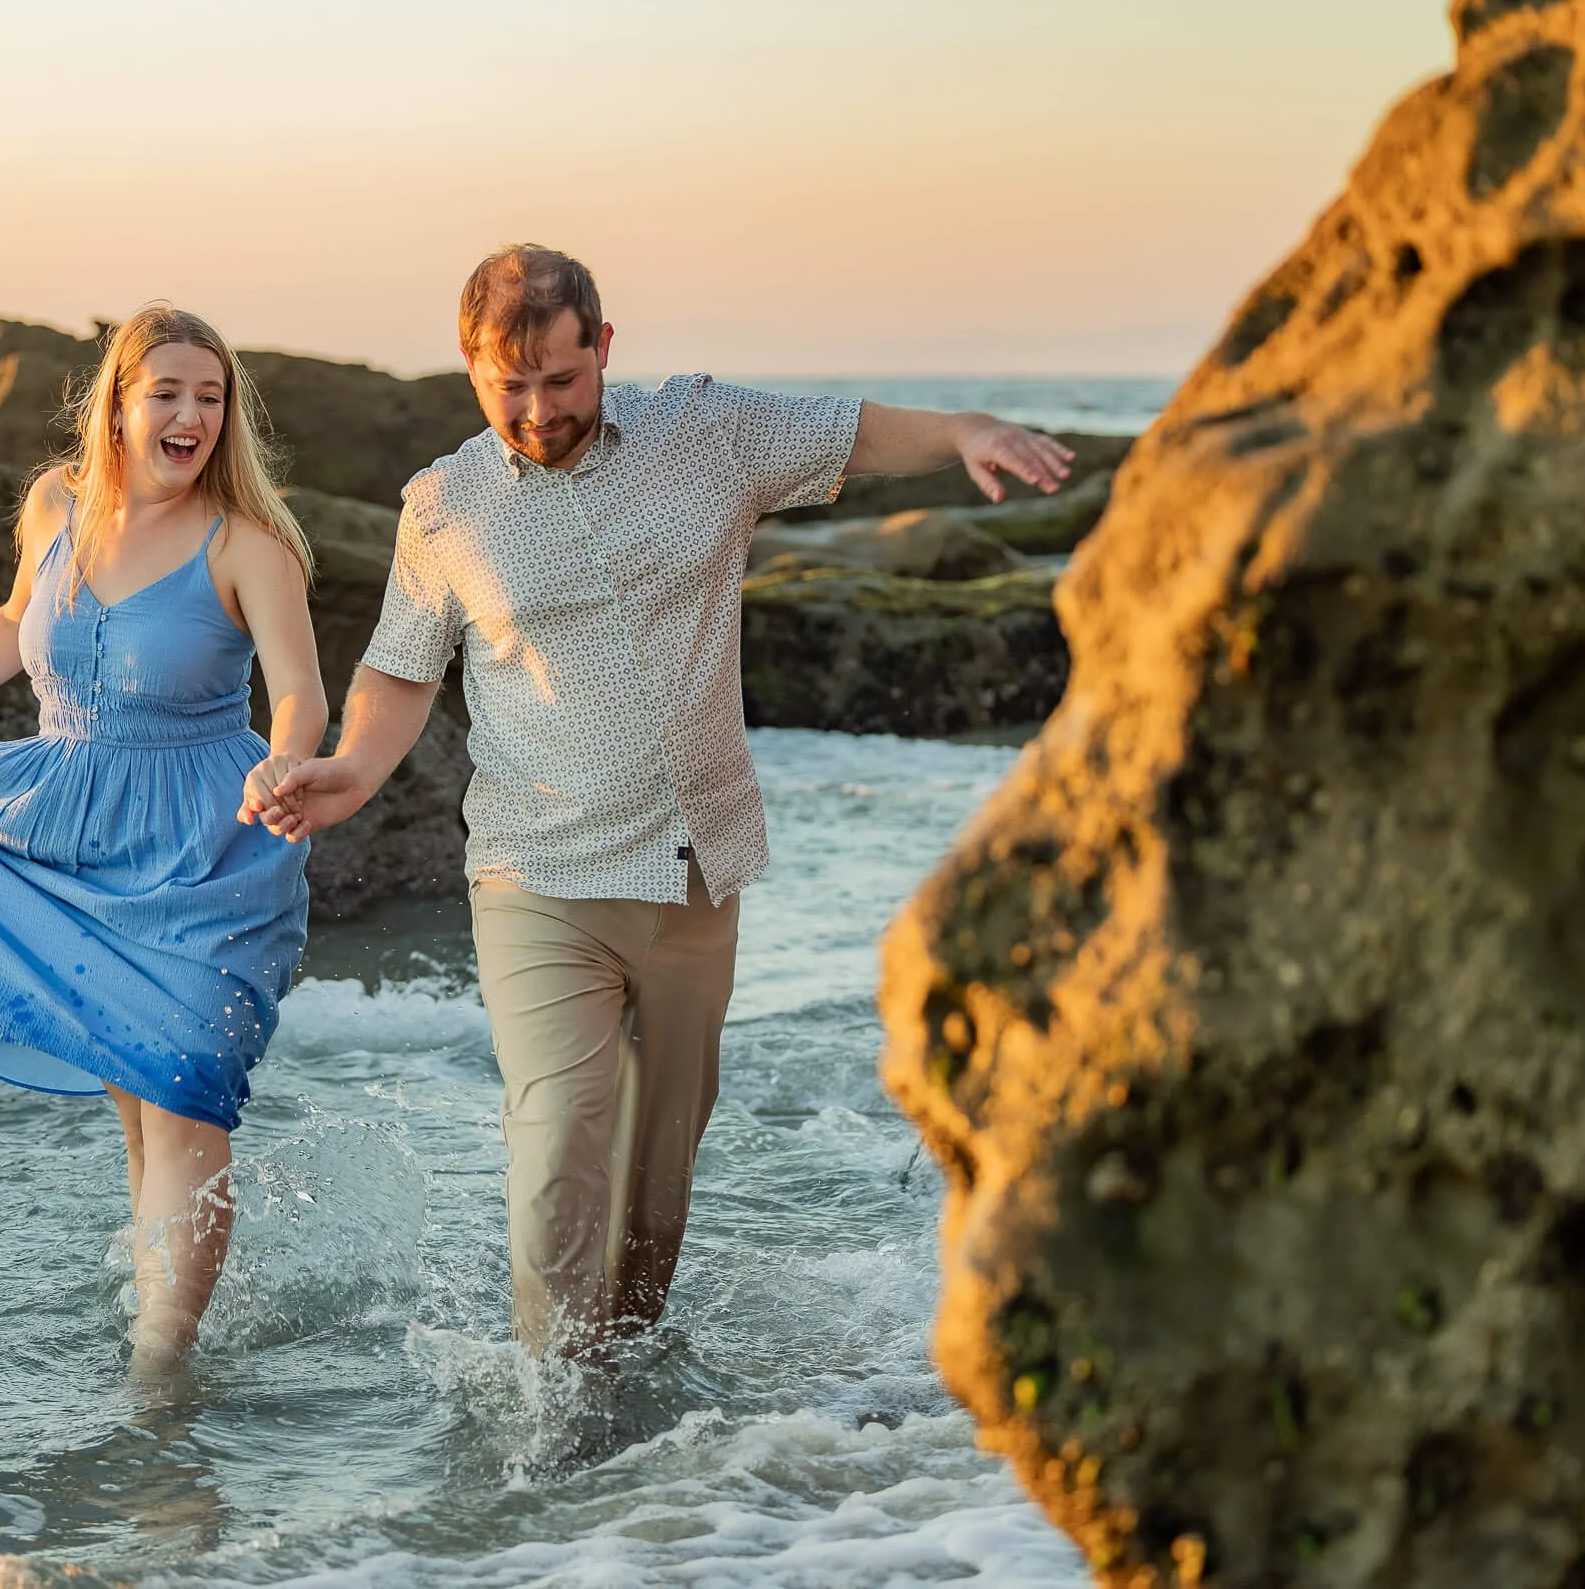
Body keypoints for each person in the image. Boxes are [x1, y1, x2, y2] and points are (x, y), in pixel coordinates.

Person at [247, 246, 1073, 1360]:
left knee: (655, 1180)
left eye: (560, 379)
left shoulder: (705, 433)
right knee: (558, 1145)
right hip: (538, 874)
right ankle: (549, 1409)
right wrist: (351, 771)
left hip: (694, 873)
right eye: (509, 386)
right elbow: (401, 669)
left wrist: (965, 431)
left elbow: (853, 435)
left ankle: (625, 1389)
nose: (537, 411)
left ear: (604, 347)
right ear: (470, 368)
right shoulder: (444, 508)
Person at [0, 304, 323, 1374]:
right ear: (119, 403)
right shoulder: (56, 504)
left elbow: (300, 691)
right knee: (138, 1107)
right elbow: (15, 621)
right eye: (168, 392)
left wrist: (285, 759)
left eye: (210, 396)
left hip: (206, 845)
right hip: (69, 828)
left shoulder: (250, 543)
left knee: (183, 1092)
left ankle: (159, 1370)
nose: (191, 415)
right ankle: (165, 1324)